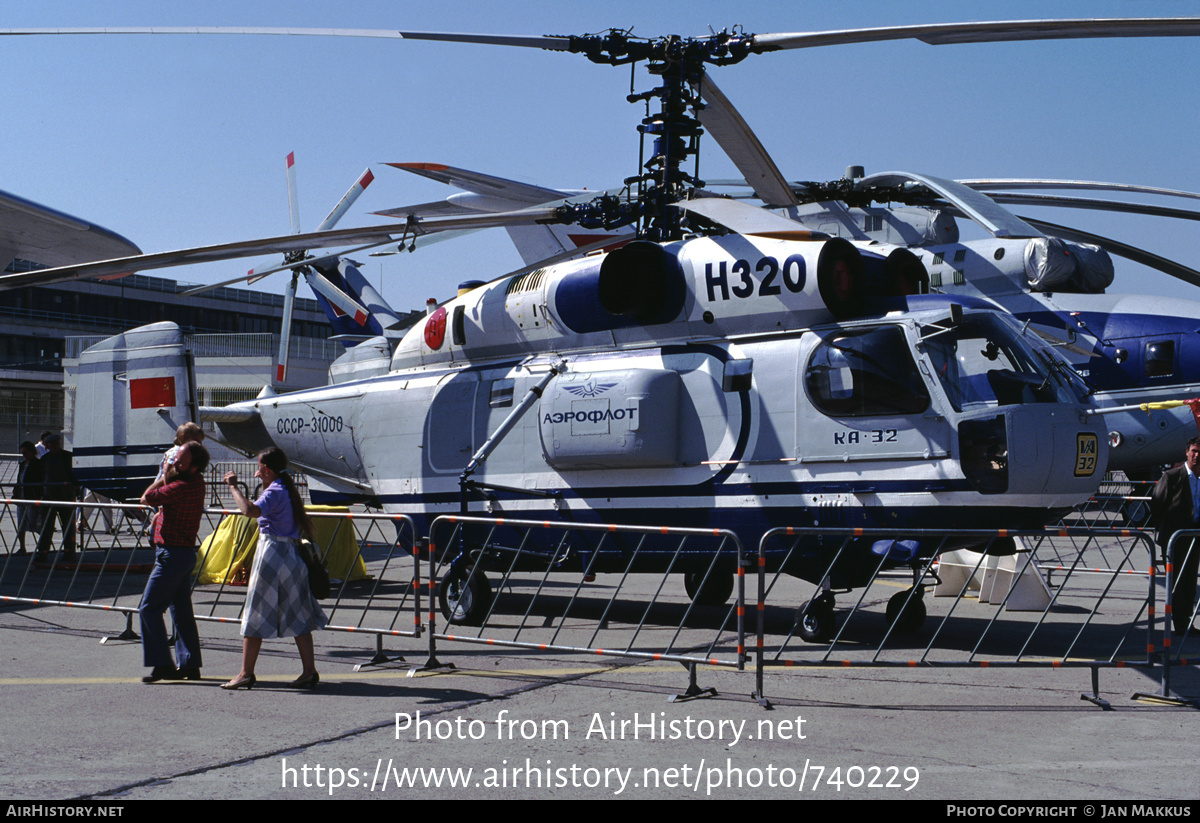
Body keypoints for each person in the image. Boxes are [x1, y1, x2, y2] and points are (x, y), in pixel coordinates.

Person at [221, 447, 325, 690]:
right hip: (290, 555)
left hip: (272, 554)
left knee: (256, 610)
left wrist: (234, 486)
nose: (257, 471)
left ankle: (246, 672)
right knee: (298, 613)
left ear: (266, 469)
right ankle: (309, 671)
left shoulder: (275, 490)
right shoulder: (284, 489)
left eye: (259, 466)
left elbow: (249, 511)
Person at [138, 441, 209, 683]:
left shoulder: (179, 487)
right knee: (181, 611)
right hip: (184, 554)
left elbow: (147, 497)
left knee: (149, 608)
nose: (175, 462)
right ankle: (189, 664)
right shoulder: (197, 483)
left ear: (193, 466)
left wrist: (164, 474)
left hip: (171, 555)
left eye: (180, 460)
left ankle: (162, 664)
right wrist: (172, 473)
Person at [1151, 435, 1200, 637]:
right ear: (1187, 452)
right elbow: (1157, 504)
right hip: (1176, 539)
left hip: (1195, 537)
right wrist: (1166, 532)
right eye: (1194, 451)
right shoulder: (1172, 477)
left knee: (1190, 581)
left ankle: (1187, 621)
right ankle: (1180, 624)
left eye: (1199, 452)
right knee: (1178, 582)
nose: (1196, 456)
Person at [35, 433, 76, 560]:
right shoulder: (45, 459)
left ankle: (69, 553)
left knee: (68, 527)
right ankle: (43, 553)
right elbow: (40, 478)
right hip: (49, 498)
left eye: (57, 444)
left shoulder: (67, 457)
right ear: (47, 446)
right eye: (52, 444)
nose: (55, 446)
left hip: (66, 498)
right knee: (47, 527)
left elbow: (74, 475)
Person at [13, 441, 41, 554]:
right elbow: (19, 478)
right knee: (21, 524)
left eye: (26, 453)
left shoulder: (37, 464)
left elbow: (39, 480)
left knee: (34, 523)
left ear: (31, 452)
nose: (24, 455)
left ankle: (44, 544)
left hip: (32, 496)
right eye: (22, 453)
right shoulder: (22, 464)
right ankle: (22, 547)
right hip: (21, 497)